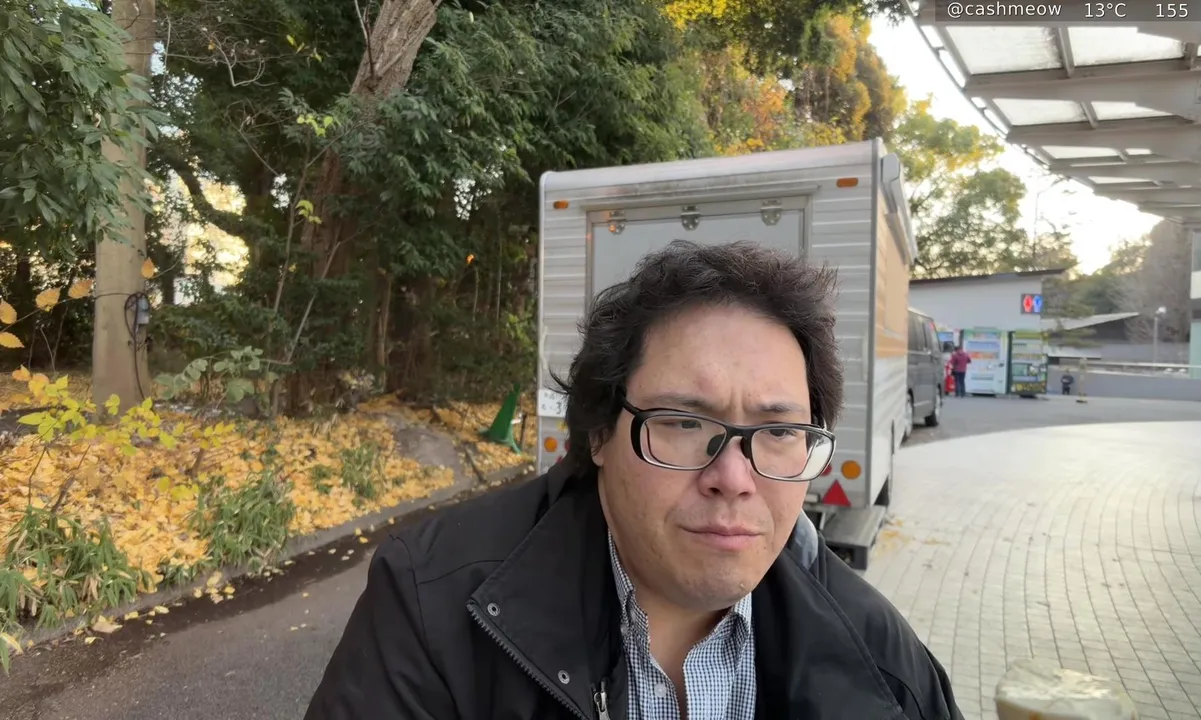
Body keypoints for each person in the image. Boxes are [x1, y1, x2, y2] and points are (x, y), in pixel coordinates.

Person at [305, 240, 964, 720]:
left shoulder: (883, 665)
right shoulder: (433, 605)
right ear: (599, 433)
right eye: (682, 422)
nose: (733, 478)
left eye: (779, 432)